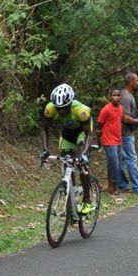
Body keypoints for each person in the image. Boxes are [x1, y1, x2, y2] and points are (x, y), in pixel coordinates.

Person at [41, 83, 96, 214]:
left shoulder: (81, 111)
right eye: (58, 108)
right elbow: (44, 129)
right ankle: (72, 190)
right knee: (66, 161)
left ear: (70, 104)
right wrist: (45, 149)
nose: (61, 111)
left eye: (64, 108)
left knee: (81, 163)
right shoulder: (50, 109)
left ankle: (87, 199)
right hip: (68, 132)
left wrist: (83, 154)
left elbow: (89, 135)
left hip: (83, 132)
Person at [119, 73, 138, 194]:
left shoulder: (129, 95)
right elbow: (124, 117)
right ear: (131, 81)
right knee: (131, 159)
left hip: (126, 133)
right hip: (125, 133)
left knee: (123, 160)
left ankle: (123, 185)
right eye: (136, 80)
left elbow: (128, 112)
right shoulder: (125, 96)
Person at [96, 88, 124, 195]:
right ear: (110, 96)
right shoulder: (106, 109)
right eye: (114, 95)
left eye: (118, 95)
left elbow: (119, 121)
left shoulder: (121, 108)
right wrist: (99, 142)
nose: (116, 97)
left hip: (118, 140)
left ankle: (111, 188)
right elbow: (99, 127)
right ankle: (114, 188)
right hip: (108, 141)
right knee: (115, 164)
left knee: (115, 165)